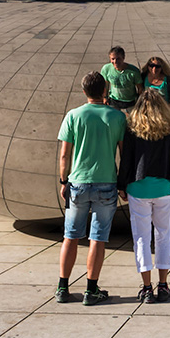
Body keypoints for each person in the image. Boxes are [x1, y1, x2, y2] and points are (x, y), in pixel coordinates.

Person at [56, 70, 128, 306]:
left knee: (71, 236)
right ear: (105, 90)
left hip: (78, 183)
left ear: (84, 91)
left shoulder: (73, 115)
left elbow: (65, 154)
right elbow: (123, 154)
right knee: (98, 239)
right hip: (106, 183)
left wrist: (63, 181)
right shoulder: (116, 117)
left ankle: (62, 287)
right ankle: (91, 290)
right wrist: (123, 184)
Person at [118, 88, 170, 304]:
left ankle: (146, 288)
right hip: (164, 187)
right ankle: (163, 285)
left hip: (139, 188)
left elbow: (126, 160)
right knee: (164, 235)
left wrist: (122, 185)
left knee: (141, 238)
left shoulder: (132, 129)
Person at [101, 45, 144, 111]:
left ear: (123, 58)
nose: (115, 61)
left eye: (118, 59)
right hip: (114, 100)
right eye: (113, 59)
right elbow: (105, 85)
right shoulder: (106, 69)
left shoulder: (134, 71)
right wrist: (105, 97)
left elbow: (140, 87)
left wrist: (139, 101)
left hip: (130, 101)